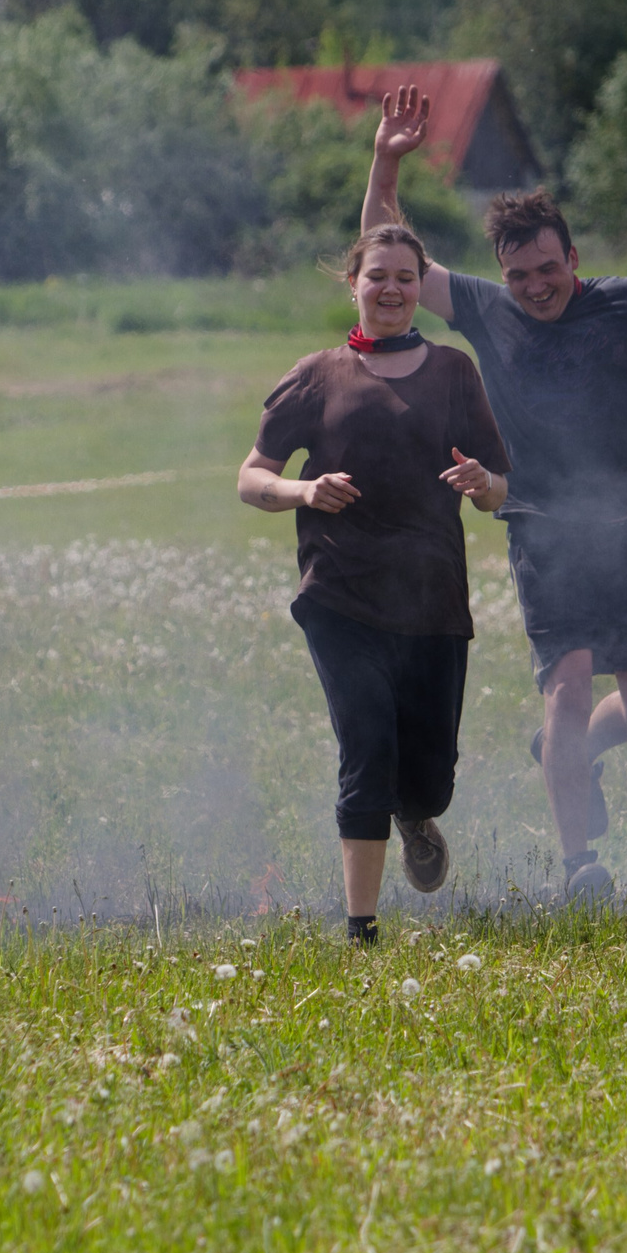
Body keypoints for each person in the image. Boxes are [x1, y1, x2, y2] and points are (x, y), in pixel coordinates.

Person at [363, 85, 627, 900]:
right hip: (539, 527)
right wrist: (386, 161)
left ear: (572, 260)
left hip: (624, 530)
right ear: (502, 274)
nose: (536, 286)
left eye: (549, 269)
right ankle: (581, 865)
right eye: (520, 275)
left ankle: (561, 752)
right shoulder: (485, 308)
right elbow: (384, 247)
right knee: (569, 687)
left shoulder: (626, 303)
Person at [239, 221, 512, 943]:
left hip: (432, 599)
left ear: (420, 288)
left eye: (405, 278)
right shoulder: (317, 375)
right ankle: (361, 929)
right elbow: (251, 476)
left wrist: (484, 482)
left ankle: (415, 811)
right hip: (340, 594)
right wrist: (303, 493)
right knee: (365, 745)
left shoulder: (454, 371)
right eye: (377, 276)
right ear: (353, 283)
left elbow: (499, 491)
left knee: (429, 777)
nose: (391, 289)